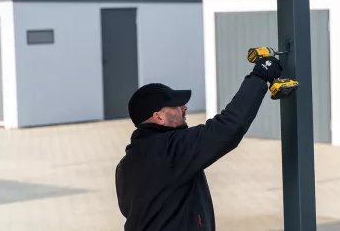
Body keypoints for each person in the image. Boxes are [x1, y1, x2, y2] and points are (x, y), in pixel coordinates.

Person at [115, 55, 283, 231]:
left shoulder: (125, 165)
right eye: (176, 106)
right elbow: (227, 128)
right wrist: (259, 77)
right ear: (159, 117)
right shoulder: (171, 149)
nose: (185, 107)